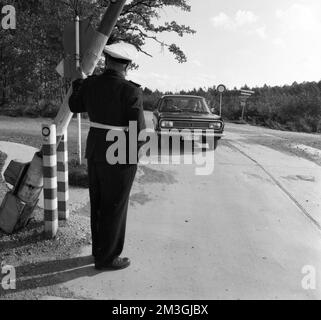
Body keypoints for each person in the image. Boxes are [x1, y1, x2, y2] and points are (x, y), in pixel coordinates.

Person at [68, 42, 146, 271]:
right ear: (127, 65)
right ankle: (107, 258)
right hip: (120, 154)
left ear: (107, 61)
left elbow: (74, 106)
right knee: (115, 207)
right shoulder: (131, 90)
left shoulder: (90, 84)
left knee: (99, 204)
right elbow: (138, 132)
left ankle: (98, 252)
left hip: (95, 151)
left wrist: (78, 83)